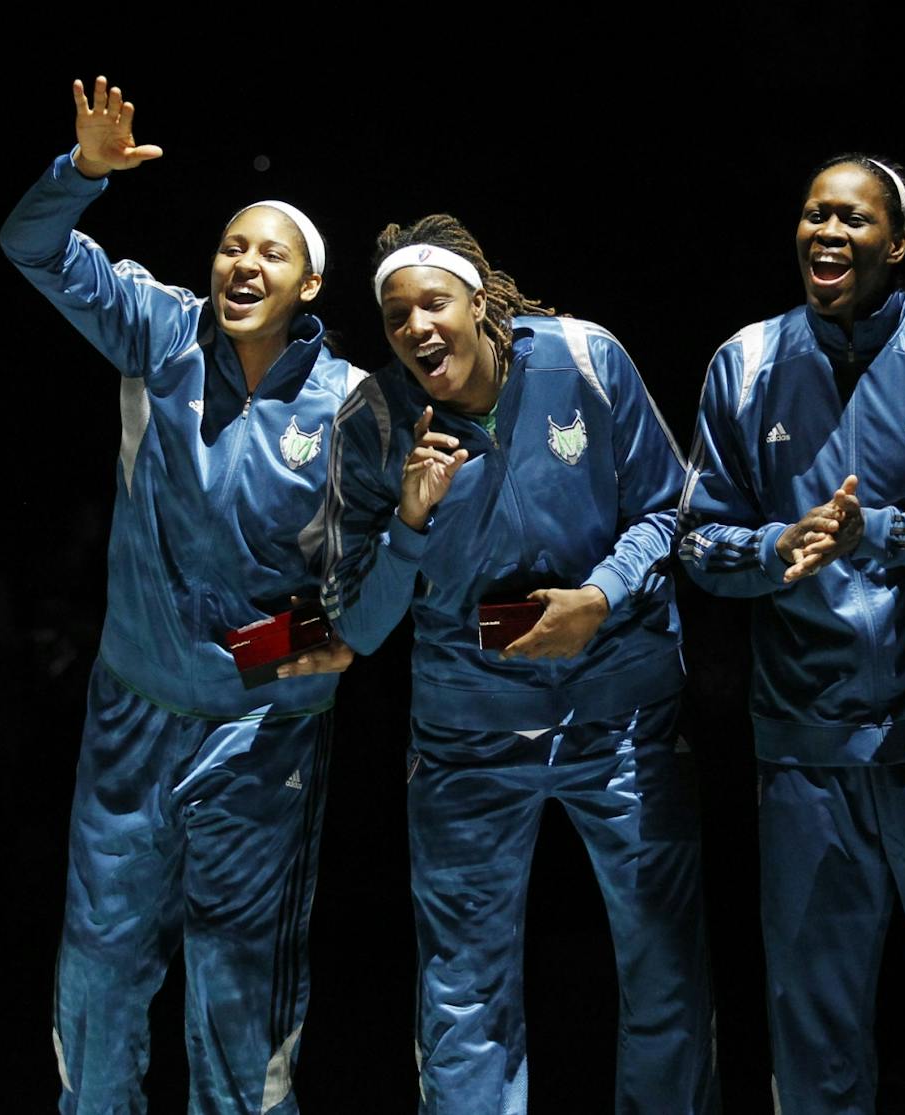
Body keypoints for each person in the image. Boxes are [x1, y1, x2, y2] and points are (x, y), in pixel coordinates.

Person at [0, 77, 387, 1114]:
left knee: (236, 996)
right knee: (98, 977)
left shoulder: (351, 405)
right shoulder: (161, 334)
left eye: (271, 251)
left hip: (261, 737)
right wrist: (81, 174)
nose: (243, 261)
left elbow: (378, 583)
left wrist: (289, 645)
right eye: (231, 244)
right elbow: (31, 247)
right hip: (132, 715)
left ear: (312, 284)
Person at [677, 154, 905, 1114]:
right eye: (812, 215)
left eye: (851, 218)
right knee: (815, 1039)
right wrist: (775, 545)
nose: (827, 233)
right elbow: (696, 540)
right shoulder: (746, 361)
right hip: (807, 746)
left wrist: (882, 529)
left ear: (897, 241)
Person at [328, 215, 715, 1114]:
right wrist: (409, 524)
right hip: (470, 738)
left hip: (623, 720)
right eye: (396, 318)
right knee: (463, 995)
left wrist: (602, 600)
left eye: (434, 304)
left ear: (483, 303)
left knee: (665, 976)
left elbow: (670, 511)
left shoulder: (585, 359)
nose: (418, 329)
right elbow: (361, 624)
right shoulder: (377, 421)